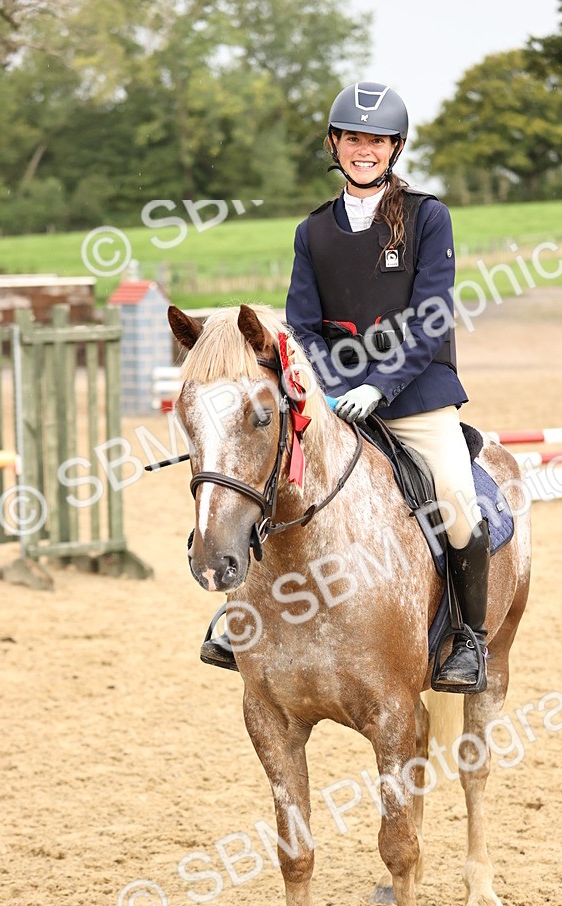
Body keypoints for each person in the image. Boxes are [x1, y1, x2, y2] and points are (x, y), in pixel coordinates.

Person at [201, 81, 489, 692]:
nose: (365, 150)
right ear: (335, 143)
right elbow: (302, 326)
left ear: (396, 148)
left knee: (458, 501)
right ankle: (238, 614)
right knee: (260, 475)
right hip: (332, 398)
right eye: (354, 138)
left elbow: (431, 316)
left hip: (415, 394)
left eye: (377, 141)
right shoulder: (313, 232)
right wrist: (329, 389)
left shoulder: (426, 218)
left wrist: (381, 386)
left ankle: (468, 639)